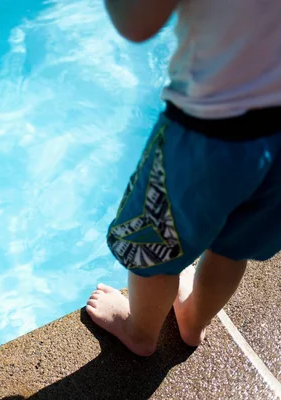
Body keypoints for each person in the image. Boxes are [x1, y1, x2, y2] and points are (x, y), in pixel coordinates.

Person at [87, 0, 281, 356]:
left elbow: (137, 23)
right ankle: (194, 321)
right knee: (233, 247)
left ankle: (141, 333)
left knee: (155, 251)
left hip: (209, 135)